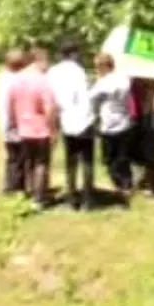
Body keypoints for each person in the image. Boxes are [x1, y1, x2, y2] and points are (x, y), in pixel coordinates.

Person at [47, 41, 95, 210]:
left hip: (66, 119)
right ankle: (88, 200)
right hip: (84, 119)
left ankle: (72, 198)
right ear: (74, 53)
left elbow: (51, 97)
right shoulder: (78, 71)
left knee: (71, 160)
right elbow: (85, 96)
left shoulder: (53, 72)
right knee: (87, 161)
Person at [8, 47, 57, 207]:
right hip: (40, 128)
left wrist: (14, 122)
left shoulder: (16, 80)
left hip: (24, 127)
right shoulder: (42, 81)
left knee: (29, 161)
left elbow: (11, 104)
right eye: (46, 61)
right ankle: (40, 198)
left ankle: (30, 192)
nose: (47, 66)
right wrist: (53, 128)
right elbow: (48, 107)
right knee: (41, 163)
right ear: (39, 61)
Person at [89, 53, 135, 202]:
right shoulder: (123, 79)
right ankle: (127, 184)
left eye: (97, 67)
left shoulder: (103, 83)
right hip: (124, 121)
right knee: (123, 157)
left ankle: (118, 186)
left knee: (109, 159)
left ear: (103, 66)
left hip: (108, 124)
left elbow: (91, 100)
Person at [0, 49, 29, 195]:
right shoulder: (18, 80)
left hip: (3, 120)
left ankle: (10, 185)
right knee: (20, 156)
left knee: (12, 156)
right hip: (17, 121)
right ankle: (16, 186)